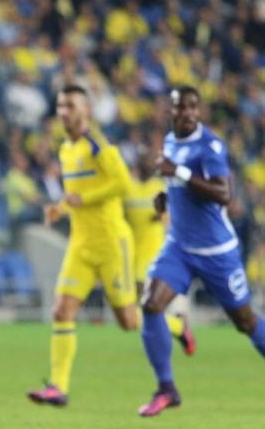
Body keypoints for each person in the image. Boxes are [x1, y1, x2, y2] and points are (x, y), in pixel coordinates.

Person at [27, 85, 186, 407]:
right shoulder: (66, 150)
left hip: (112, 243)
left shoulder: (98, 145)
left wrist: (82, 198)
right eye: (59, 106)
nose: (63, 112)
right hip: (81, 245)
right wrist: (61, 207)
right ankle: (58, 387)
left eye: (70, 105)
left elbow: (122, 184)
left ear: (86, 110)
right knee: (62, 310)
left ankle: (176, 325)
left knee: (128, 321)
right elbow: (76, 195)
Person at [137, 86, 265, 417]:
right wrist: (167, 197)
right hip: (179, 246)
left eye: (194, 108)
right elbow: (176, 182)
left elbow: (224, 193)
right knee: (151, 304)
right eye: (181, 108)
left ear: (199, 111)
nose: (188, 114)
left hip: (216, 251)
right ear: (171, 111)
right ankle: (166, 389)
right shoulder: (169, 141)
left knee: (245, 321)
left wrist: (177, 173)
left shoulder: (210, 146)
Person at [125, 150, 195, 353]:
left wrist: (162, 217)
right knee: (140, 308)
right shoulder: (129, 188)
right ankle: (177, 327)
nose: (146, 165)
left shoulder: (159, 187)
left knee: (141, 304)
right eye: (143, 160)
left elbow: (174, 214)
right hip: (133, 251)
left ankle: (175, 329)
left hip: (156, 250)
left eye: (149, 161)